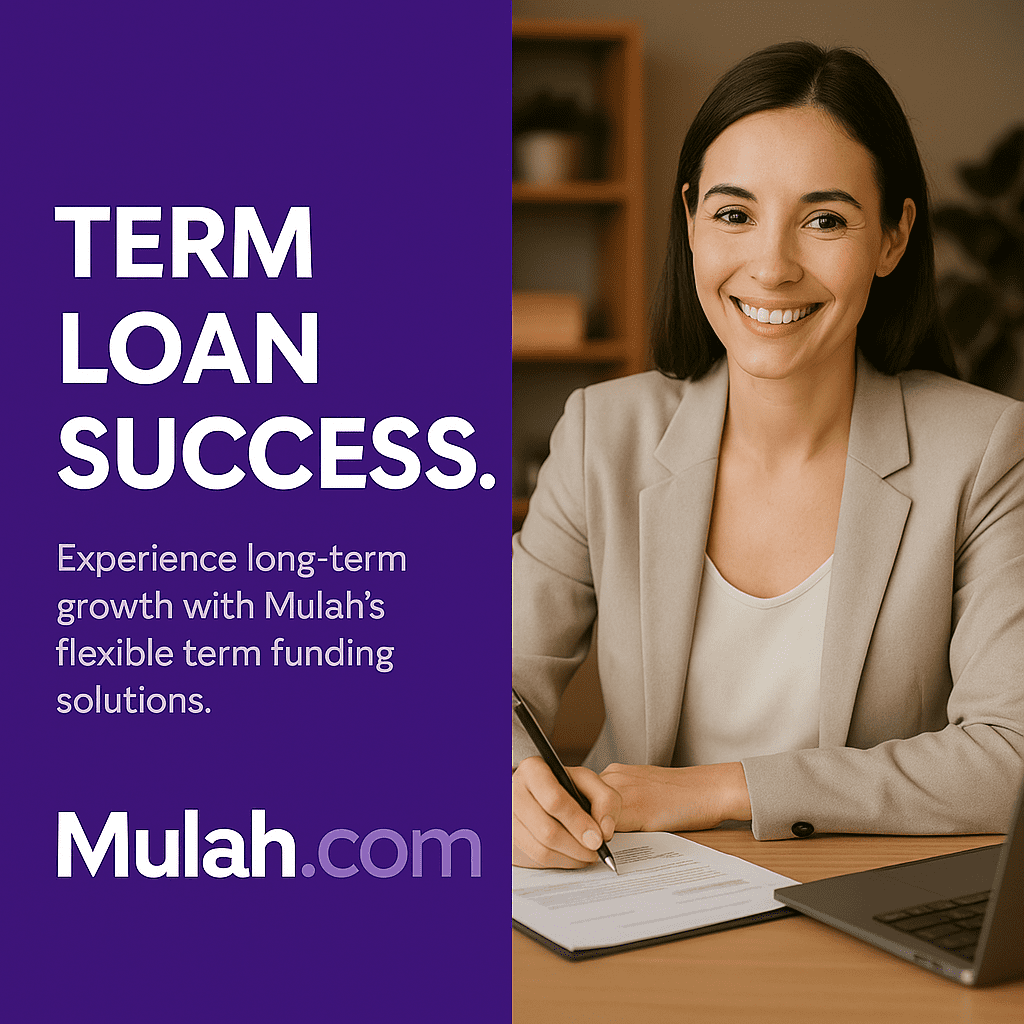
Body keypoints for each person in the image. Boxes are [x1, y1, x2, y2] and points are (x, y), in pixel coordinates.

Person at [512, 41, 1024, 870]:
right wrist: (511, 782)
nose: (773, 266)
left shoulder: (984, 450)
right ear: (689, 221)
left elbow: (1010, 754)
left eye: (824, 220)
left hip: (858, 905)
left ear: (893, 238)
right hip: (629, 889)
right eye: (734, 214)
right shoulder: (604, 432)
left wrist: (711, 789)